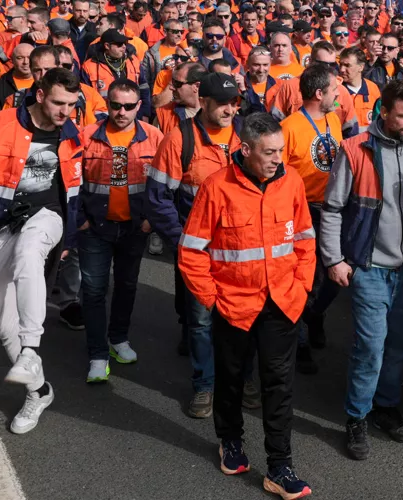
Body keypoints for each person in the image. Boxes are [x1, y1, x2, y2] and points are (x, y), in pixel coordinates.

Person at [178, 112, 315, 500]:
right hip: (233, 305)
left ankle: (279, 466)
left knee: (279, 384)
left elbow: (305, 239)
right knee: (231, 378)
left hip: (282, 303)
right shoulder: (216, 187)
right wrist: (213, 299)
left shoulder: (291, 182)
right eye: (269, 152)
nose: (277, 159)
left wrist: (302, 285)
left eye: (280, 151)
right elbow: (191, 252)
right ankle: (231, 441)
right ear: (246, 149)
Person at [0, 68, 82, 434]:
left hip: (46, 219)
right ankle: (39, 391)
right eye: (58, 102)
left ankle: (31, 347)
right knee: (4, 322)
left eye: (71, 104)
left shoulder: (72, 134)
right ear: (39, 95)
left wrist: (68, 241)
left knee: (28, 254)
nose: (64, 111)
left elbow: (75, 192)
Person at [321, 81, 403, 461]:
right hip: (370, 268)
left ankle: (386, 407)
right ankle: (357, 417)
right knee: (371, 347)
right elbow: (332, 209)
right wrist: (333, 260)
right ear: (383, 112)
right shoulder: (354, 149)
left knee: (400, 346)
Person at [150, 72, 248, 417]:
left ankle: (240, 381)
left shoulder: (246, 136)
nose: (228, 108)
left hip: (242, 252)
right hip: (201, 254)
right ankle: (205, 385)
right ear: (201, 102)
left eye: (233, 102)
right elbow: (159, 198)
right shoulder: (179, 139)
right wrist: (183, 244)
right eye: (221, 102)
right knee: (201, 322)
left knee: (241, 318)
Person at [76, 78, 163, 382]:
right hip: (94, 228)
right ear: (107, 104)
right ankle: (97, 354)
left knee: (127, 286)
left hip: (134, 228)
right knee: (94, 291)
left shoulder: (154, 137)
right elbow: (70, 182)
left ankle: (118, 339)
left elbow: (163, 186)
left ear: (139, 106)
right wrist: (80, 221)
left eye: (129, 106)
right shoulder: (86, 136)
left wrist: (150, 220)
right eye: (116, 105)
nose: (122, 111)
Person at [279, 63, 344, 373]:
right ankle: (300, 342)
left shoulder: (334, 118)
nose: (338, 94)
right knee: (304, 278)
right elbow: (278, 177)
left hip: (335, 209)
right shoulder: (289, 127)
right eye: (333, 90)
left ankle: (315, 313)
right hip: (304, 210)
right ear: (319, 93)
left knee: (337, 275)